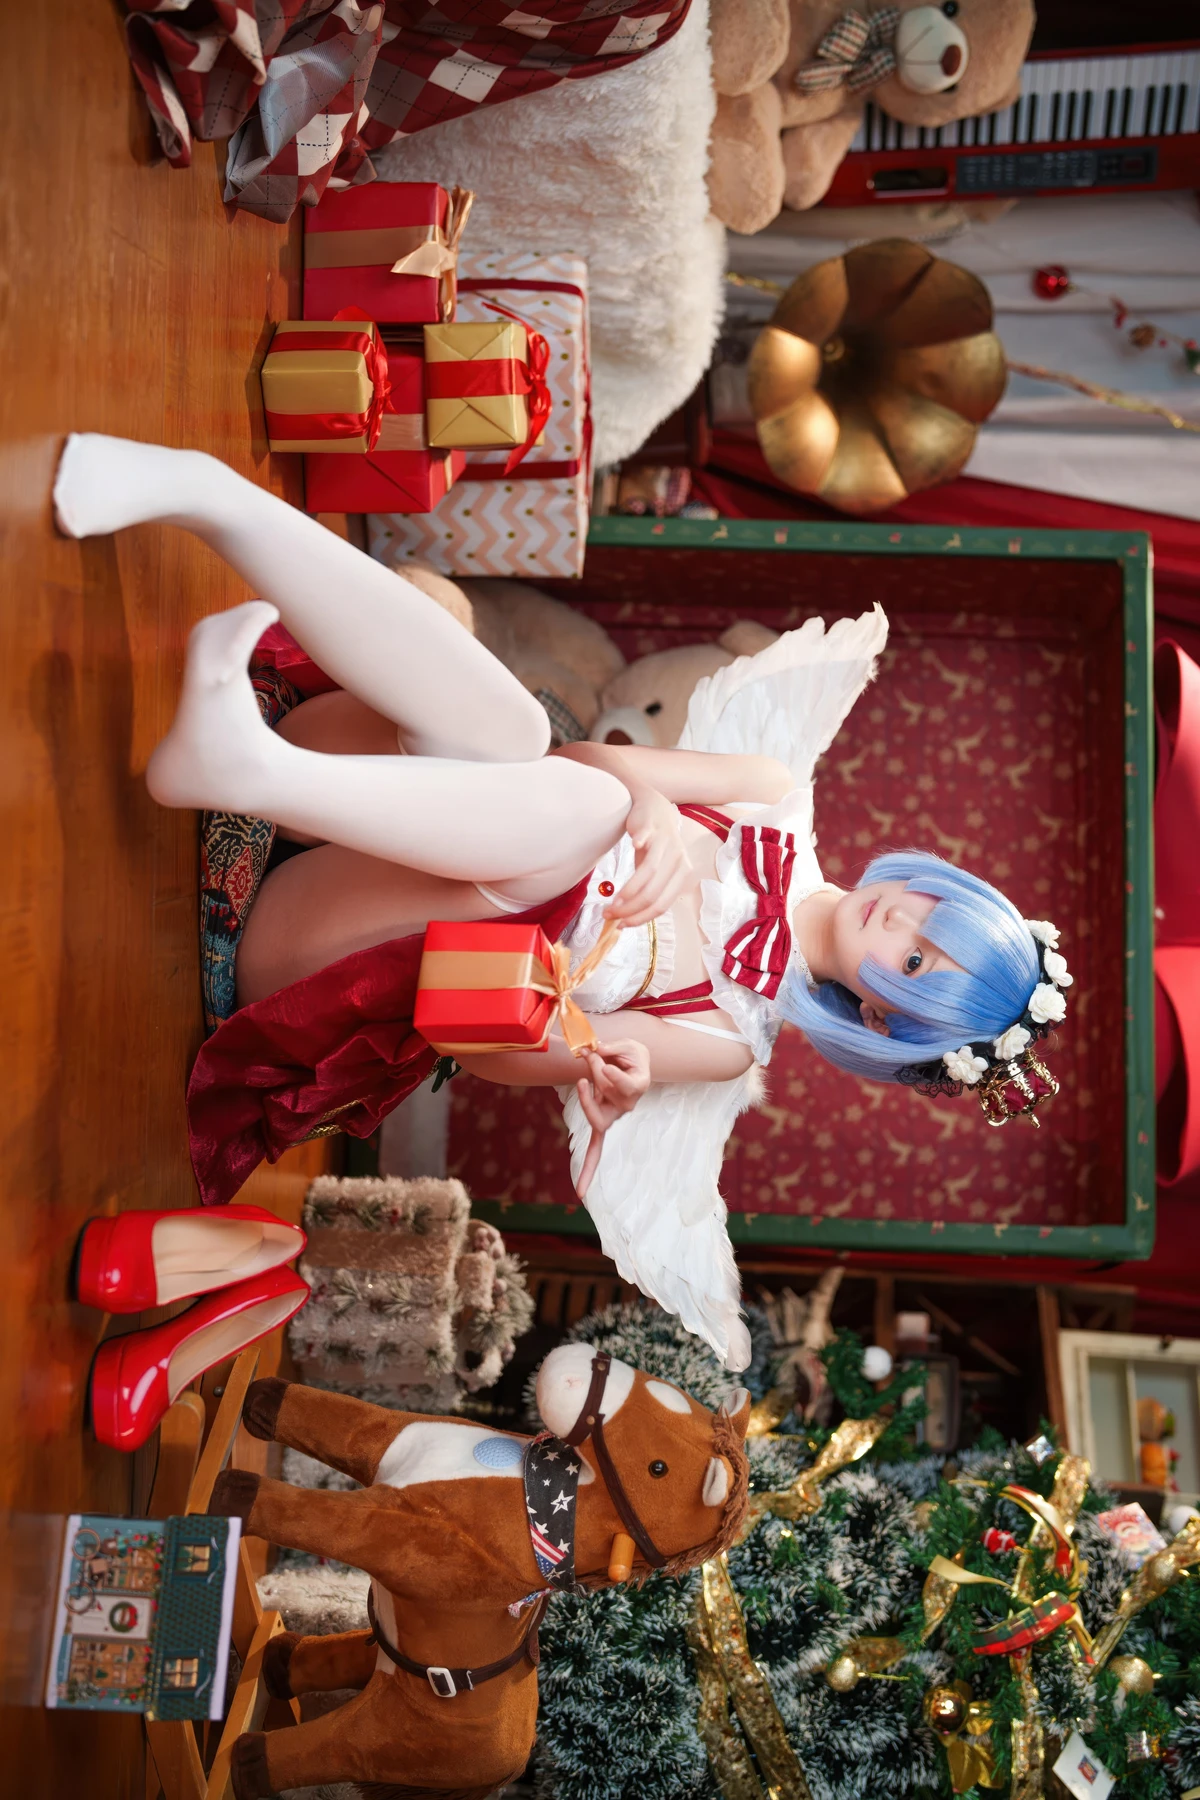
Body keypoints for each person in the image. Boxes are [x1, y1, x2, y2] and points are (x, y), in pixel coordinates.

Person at [53, 435, 1071, 1369]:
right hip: (336, 763)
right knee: (517, 736)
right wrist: (650, 808)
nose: (902, 923)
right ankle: (207, 497)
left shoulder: (725, 1039)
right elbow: (578, 756)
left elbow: (485, 1052)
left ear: (885, 1022)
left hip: (315, 942)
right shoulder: (766, 794)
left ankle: (240, 752)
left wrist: (591, 1063)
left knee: (572, 804)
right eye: (931, 910)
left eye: (916, 963)